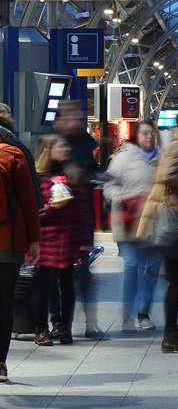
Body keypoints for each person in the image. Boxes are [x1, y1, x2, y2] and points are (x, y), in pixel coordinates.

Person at [136, 112, 178, 353]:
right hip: (173, 219)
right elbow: (168, 175)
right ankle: (171, 335)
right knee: (176, 280)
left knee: (176, 278)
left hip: (175, 218)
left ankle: (173, 333)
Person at [31, 134, 95, 343]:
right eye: (60, 146)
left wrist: (85, 240)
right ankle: (41, 329)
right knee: (42, 286)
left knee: (67, 286)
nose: (66, 149)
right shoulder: (37, 177)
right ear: (48, 150)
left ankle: (64, 328)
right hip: (45, 240)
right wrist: (51, 207)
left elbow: (82, 212)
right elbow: (33, 210)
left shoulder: (73, 176)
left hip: (67, 239)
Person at [104, 121, 161, 331]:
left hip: (151, 224)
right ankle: (127, 312)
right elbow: (108, 185)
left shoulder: (159, 160)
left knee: (152, 268)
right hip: (127, 223)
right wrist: (119, 198)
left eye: (152, 133)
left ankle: (142, 313)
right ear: (136, 135)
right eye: (145, 133)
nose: (149, 137)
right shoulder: (122, 159)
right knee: (131, 266)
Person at [0, 134, 41, 381]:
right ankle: (0, 363)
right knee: (4, 302)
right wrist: (34, 239)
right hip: (8, 240)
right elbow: (29, 201)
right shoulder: (13, 155)